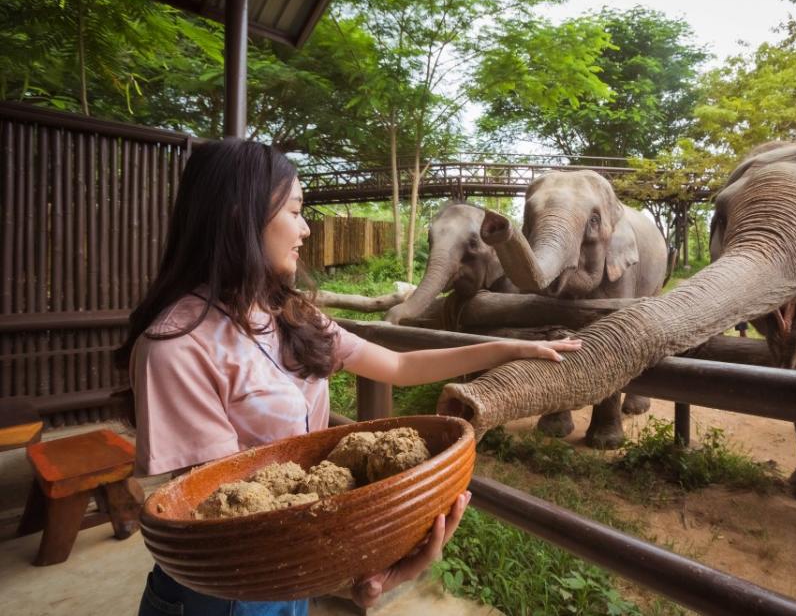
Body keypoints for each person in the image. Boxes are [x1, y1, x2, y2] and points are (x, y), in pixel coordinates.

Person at [115, 139, 581, 616]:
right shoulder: (176, 347)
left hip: (288, 574)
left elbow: (398, 366)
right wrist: (350, 565)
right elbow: (225, 515)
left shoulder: (286, 313)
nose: (306, 227)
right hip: (222, 593)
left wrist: (509, 348)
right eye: (295, 210)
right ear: (240, 215)